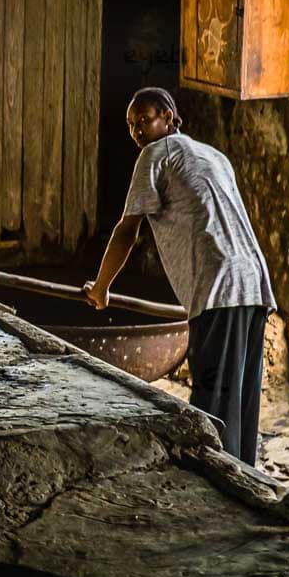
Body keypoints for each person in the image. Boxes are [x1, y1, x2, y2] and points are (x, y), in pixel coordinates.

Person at [83, 87, 276, 466]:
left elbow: (128, 229)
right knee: (239, 399)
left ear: (169, 118)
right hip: (254, 282)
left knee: (212, 403)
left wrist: (102, 287)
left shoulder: (155, 155)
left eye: (145, 119)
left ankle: (215, 483)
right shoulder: (213, 155)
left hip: (220, 286)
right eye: (131, 124)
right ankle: (245, 481)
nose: (137, 130)